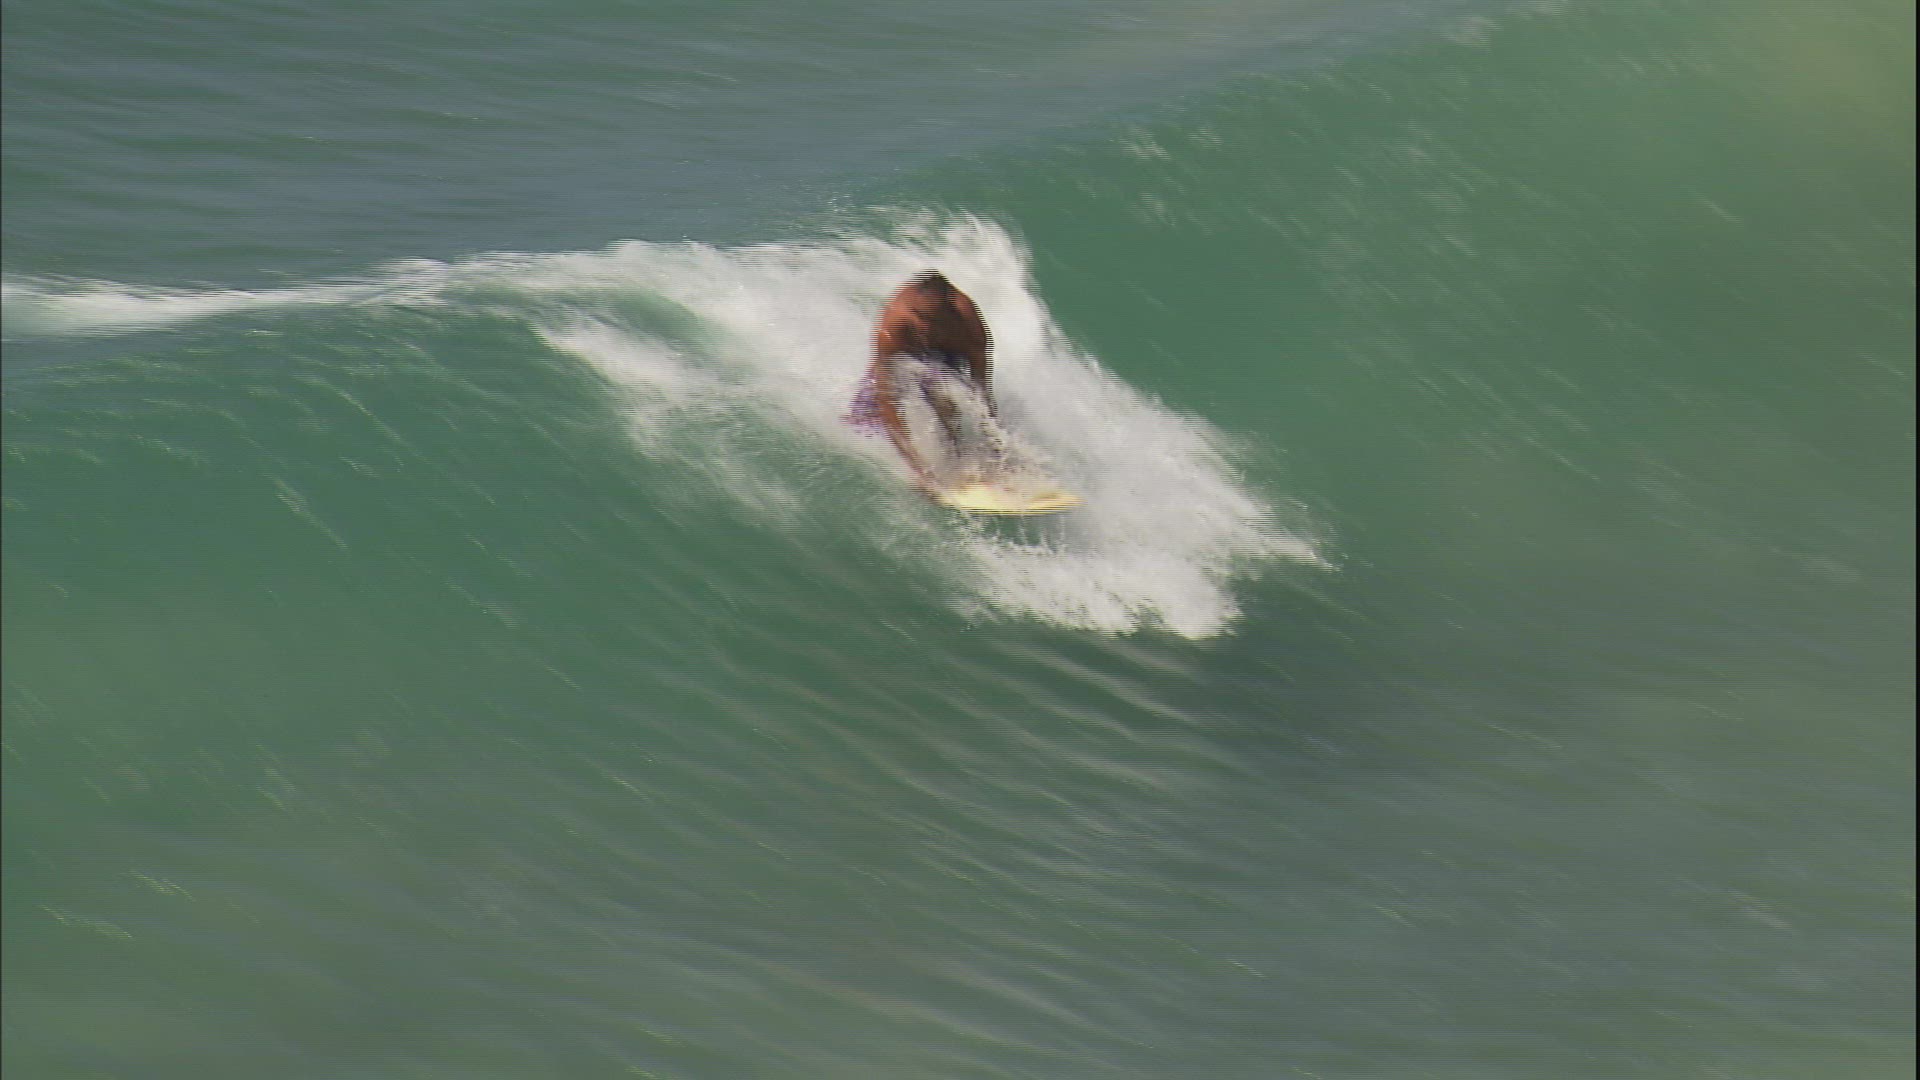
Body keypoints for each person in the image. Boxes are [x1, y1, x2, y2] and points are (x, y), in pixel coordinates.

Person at [846, 271, 995, 490]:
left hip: (947, 350)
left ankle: (962, 459)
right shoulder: (894, 327)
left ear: (950, 311)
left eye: (932, 319)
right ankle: (919, 465)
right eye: (920, 317)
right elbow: (887, 399)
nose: (924, 326)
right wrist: (918, 470)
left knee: (945, 397)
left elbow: (982, 389)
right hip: (904, 351)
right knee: (866, 417)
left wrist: (994, 446)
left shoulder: (969, 327)